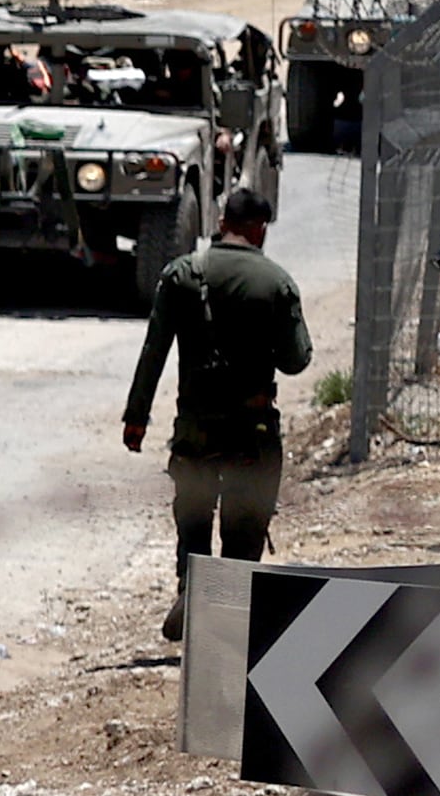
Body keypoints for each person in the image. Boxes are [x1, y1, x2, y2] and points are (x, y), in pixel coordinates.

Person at [126, 184, 312, 642]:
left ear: (223, 222)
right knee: (245, 521)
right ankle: (231, 607)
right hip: (253, 424)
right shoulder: (277, 281)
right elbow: (295, 360)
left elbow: (155, 350)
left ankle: (193, 584)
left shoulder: (181, 274)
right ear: (260, 228)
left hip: (195, 423)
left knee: (192, 511)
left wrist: (137, 417)